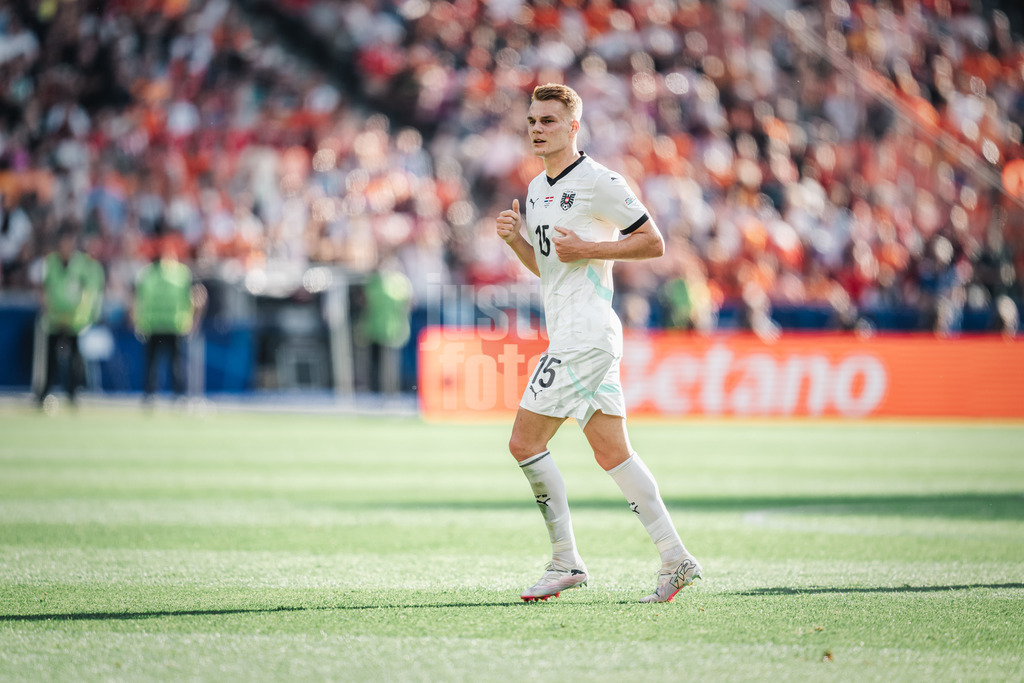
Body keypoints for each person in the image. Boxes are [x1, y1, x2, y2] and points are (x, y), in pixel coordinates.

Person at [495, 83, 702, 603]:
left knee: (524, 442)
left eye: (547, 120)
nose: (537, 129)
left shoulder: (599, 181)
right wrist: (517, 240)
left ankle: (565, 561)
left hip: (584, 337)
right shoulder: (537, 188)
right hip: (577, 334)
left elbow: (653, 242)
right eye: (532, 120)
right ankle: (675, 557)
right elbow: (549, 269)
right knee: (613, 453)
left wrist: (590, 246)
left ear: (573, 127)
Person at [37, 227, 105, 406]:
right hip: (55, 319)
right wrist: (47, 306)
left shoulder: (81, 264)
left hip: (73, 320)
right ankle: (45, 392)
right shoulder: (51, 262)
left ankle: (73, 393)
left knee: (74, 359)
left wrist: (85, 312)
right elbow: (45, 287)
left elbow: (89, 289)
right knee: (51, 359)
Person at [133, 239, 194, 402]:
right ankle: (162, 394)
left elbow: (139, 299)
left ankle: (168, 394)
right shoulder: (179, 273)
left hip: (167, 324)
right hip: (165, 324)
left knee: (170, 364)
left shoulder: (150, 274)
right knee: (161, 364)